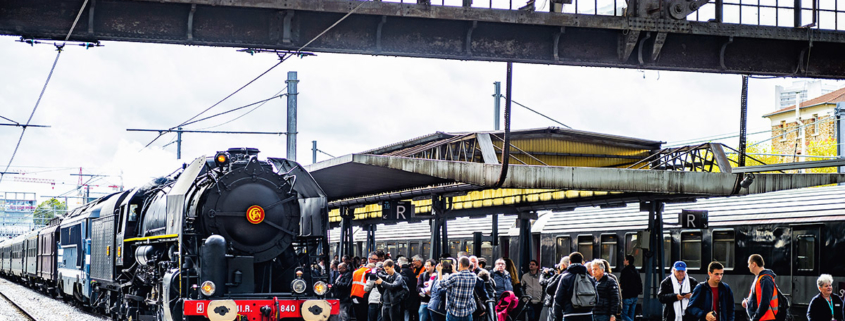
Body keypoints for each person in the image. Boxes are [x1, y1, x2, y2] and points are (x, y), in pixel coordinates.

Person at [553, 252, 596, 321]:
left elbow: (558, 298)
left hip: (570, 314)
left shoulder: (565, 277)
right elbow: (597, 298)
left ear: (570, 262)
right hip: (588, 314)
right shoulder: (590, 278)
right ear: (582, 263)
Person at [439, 256, 478, 321]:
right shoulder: (474, 276)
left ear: (460, 264)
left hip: (454, 311)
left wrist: (440, 271)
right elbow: (462, 277)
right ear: (469, 265)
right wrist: (454, 271)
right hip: (467, 312)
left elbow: (442, 284)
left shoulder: (454, 277)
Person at [743, 254, 779, 321]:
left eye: (749, 264)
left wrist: (755, 318)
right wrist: (747, 301)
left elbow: (764, 303)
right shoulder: (759, 278)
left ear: (754, 264)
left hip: (765, 318)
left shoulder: (765, 279)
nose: (748, 266)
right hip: (762, 318)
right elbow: (757, 296)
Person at [542, 257, 569, 321]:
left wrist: (543, 274)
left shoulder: (561, 276)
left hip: (558, 308)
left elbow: (549, 289)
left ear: (562, 265)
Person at [619, 255, 641, 321]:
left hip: (627, 295)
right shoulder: (636, 271)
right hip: (635, 296)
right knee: (631, 315)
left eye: (625, 260)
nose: (623, 261)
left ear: (627, 261)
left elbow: (622, 284)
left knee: (624, 315)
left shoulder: (624, 271)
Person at [401, 257, 422, 321]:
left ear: (419, 261)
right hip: (414, 296)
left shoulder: (403, 272)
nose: (412, 263)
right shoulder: (412, 271)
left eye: (414, 261)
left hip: (412, 296)